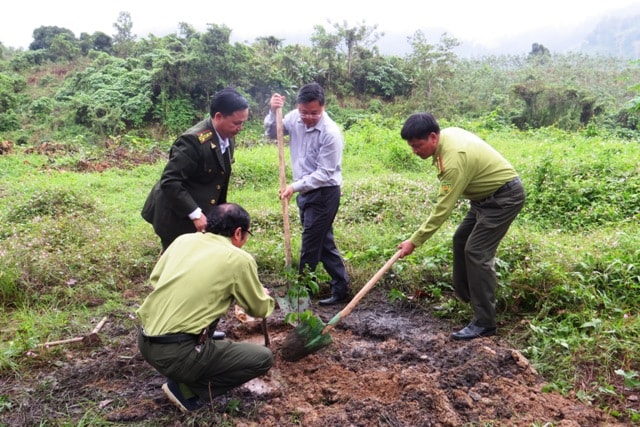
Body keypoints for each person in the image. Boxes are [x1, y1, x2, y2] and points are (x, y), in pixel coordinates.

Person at [396, 113, 525, 341]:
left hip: (503, 199)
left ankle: (485, 322)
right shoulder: (448, 136)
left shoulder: (454, 161)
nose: (414, 151)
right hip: (483, 199)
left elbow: (442, 210)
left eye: (418, 146)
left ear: (433, 137)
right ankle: (468, 300)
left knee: (476, 252)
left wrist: (414, 241)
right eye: (411, 146)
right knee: (460, 240)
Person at [137, 203, 275, 413]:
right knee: (263, 358)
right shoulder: (238, 259)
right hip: (176, 355)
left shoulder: (183, 240)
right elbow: (259, 309)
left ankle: (188, 363)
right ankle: (188, 390)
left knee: (208, 317)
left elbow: (156, 279)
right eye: (247, 233)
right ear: (238, 232)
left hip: (146, 341)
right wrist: (263, 296)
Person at [264, 83, 350, 306]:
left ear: (323, 107)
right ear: (298, 107)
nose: (308, 117)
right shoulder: (293, 118)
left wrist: (294, 186)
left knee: (311, 244)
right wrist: (273, 112)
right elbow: (274, 133)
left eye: (314, 113)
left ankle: (301, 296)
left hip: (324, 193)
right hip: (304, 192)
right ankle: (341, 287)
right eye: (304, 112)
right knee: (323, 242)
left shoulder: (330, 133)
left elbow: (324, 173)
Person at [142, 88, 249, 251]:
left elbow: (218, 177)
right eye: (236, 123)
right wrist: (195, 213)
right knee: (176, 259)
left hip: (201, 209)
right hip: (175, 212)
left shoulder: (227, 138)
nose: (240, 128)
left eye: (243, 122)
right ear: (219, 116)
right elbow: (170, 181)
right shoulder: (193, 141)